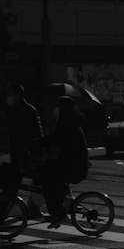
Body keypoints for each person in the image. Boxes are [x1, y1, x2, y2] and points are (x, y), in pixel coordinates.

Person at [38, 97, 88, 227]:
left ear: (63, 109)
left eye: (58, 107)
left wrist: (37, 142)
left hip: (73, 165)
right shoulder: (71, 120)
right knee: (48, 173)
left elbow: (56, 137)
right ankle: (58, 209)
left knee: (48, 181)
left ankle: (59, 214)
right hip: (72, 162)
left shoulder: (66, 121)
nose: (56, 109)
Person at [1, 82, 44, 198]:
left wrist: (28, 154)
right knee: (10, 186)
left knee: (10, 187)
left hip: (25, 157)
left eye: (10, 94)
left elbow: (37, 136)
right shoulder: (13, 112)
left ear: (19, 95)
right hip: (17, 156)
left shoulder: (29, 111)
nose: (7, 97)